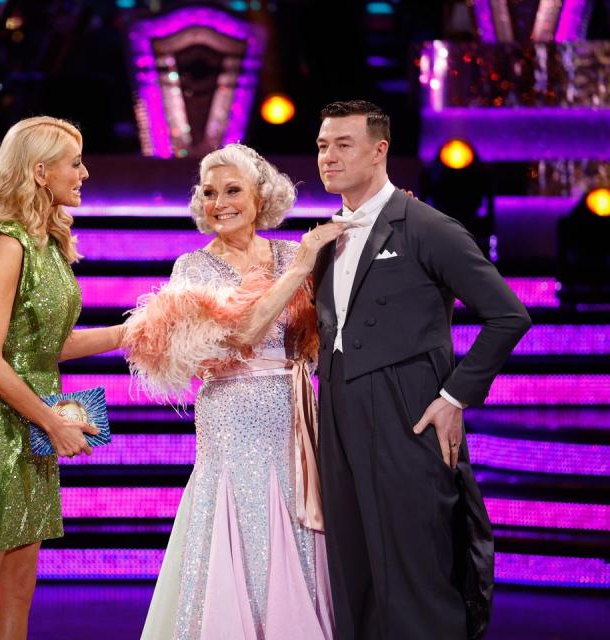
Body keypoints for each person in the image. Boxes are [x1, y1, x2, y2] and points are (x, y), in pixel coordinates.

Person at [312, 100, 531, 639]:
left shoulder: (427, 226)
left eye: (343, 144)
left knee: (415, 572)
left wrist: (454, 397)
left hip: (405, 413)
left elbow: (509, 314)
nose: (328, 157)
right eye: (322, 145)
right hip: (336, 411)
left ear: (379, 150)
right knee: (352, 570)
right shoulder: (325, 239)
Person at [126, 144, 343, 639]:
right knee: (241, 514)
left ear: (260, 196)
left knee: (297, 515)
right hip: (231, 411)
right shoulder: (193, 269)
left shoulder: (291, 253)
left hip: (293, 408)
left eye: (232, 190)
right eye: (208, 193)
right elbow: (242, 336)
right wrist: (301, 266)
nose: (219, 202)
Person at [0, 116, 125, 640]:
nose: (83, 173)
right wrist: (53, 421)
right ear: (41, 172)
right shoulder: (8, 244)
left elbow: (49, 348)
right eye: (74, 163)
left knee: (19, 591)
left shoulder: (51, 245)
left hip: (34, 426)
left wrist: (127, 333)